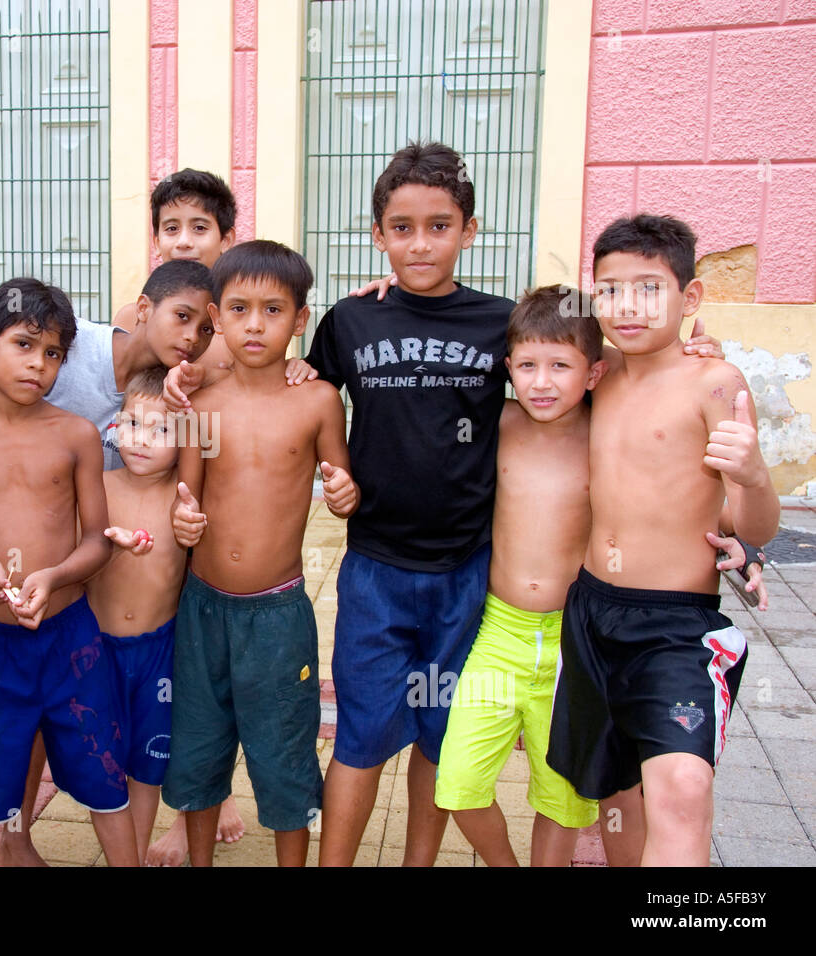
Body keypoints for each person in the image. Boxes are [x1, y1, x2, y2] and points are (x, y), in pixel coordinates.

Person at [0, 259, 215, 865]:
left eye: (53, 354)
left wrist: (55, 576)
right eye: (24, 345)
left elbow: (95, 539)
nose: (38, 364)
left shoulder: (78, 434)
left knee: (102, 774)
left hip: (71, 638)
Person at [303, 142, 515, 867]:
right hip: (374, 570)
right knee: (360, 734)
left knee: (443, 734)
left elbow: (575, 378)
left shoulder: (503, 324)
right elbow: (295, 390)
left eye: (438, 225)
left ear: (469, 229)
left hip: (467, 573)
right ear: (377, 235)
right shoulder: (351, 321)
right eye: (401, 227)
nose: (419, 243)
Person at [546, 214, 780, 866]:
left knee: (681, 787)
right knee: (617, 800)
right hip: (590, 614)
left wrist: (754, 475)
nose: (627, 305)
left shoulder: (716, 382)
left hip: (675, 627)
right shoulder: (598, 372)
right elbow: (520, 337)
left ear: (692, 297)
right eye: (611, 289)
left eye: (649, 288)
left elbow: (752, 527)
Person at [166, 240, 360, 866]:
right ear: (216, 318)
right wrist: (183, 519)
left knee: (285, 753)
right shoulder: (202, 402)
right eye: (240, 309)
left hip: (278, 617)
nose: (256, 324)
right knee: (197, 746)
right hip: (202, 609)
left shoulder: (317, 400)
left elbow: (342, 490)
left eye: (273, 310)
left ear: (300, 319)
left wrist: (343, 492)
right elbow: (185, 494)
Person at [432, 285, 606, 865]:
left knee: (561, 799)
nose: (542, 381)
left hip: (572, 644)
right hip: (499, 636)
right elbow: (437, 360)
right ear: (508, 370)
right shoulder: (501, 422)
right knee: (458, 782)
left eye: (561, 366)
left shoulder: (605, 433)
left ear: (593, 373)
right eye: (527, 365)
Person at [85, 367, 188, 862]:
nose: (141, 440)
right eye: (131, 424)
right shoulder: (97, 488)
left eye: (161, 429)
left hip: (158, 655)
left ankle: (137, 851)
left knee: (148, 767)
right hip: (96, 651)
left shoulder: (186, 500)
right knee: (102, 766)